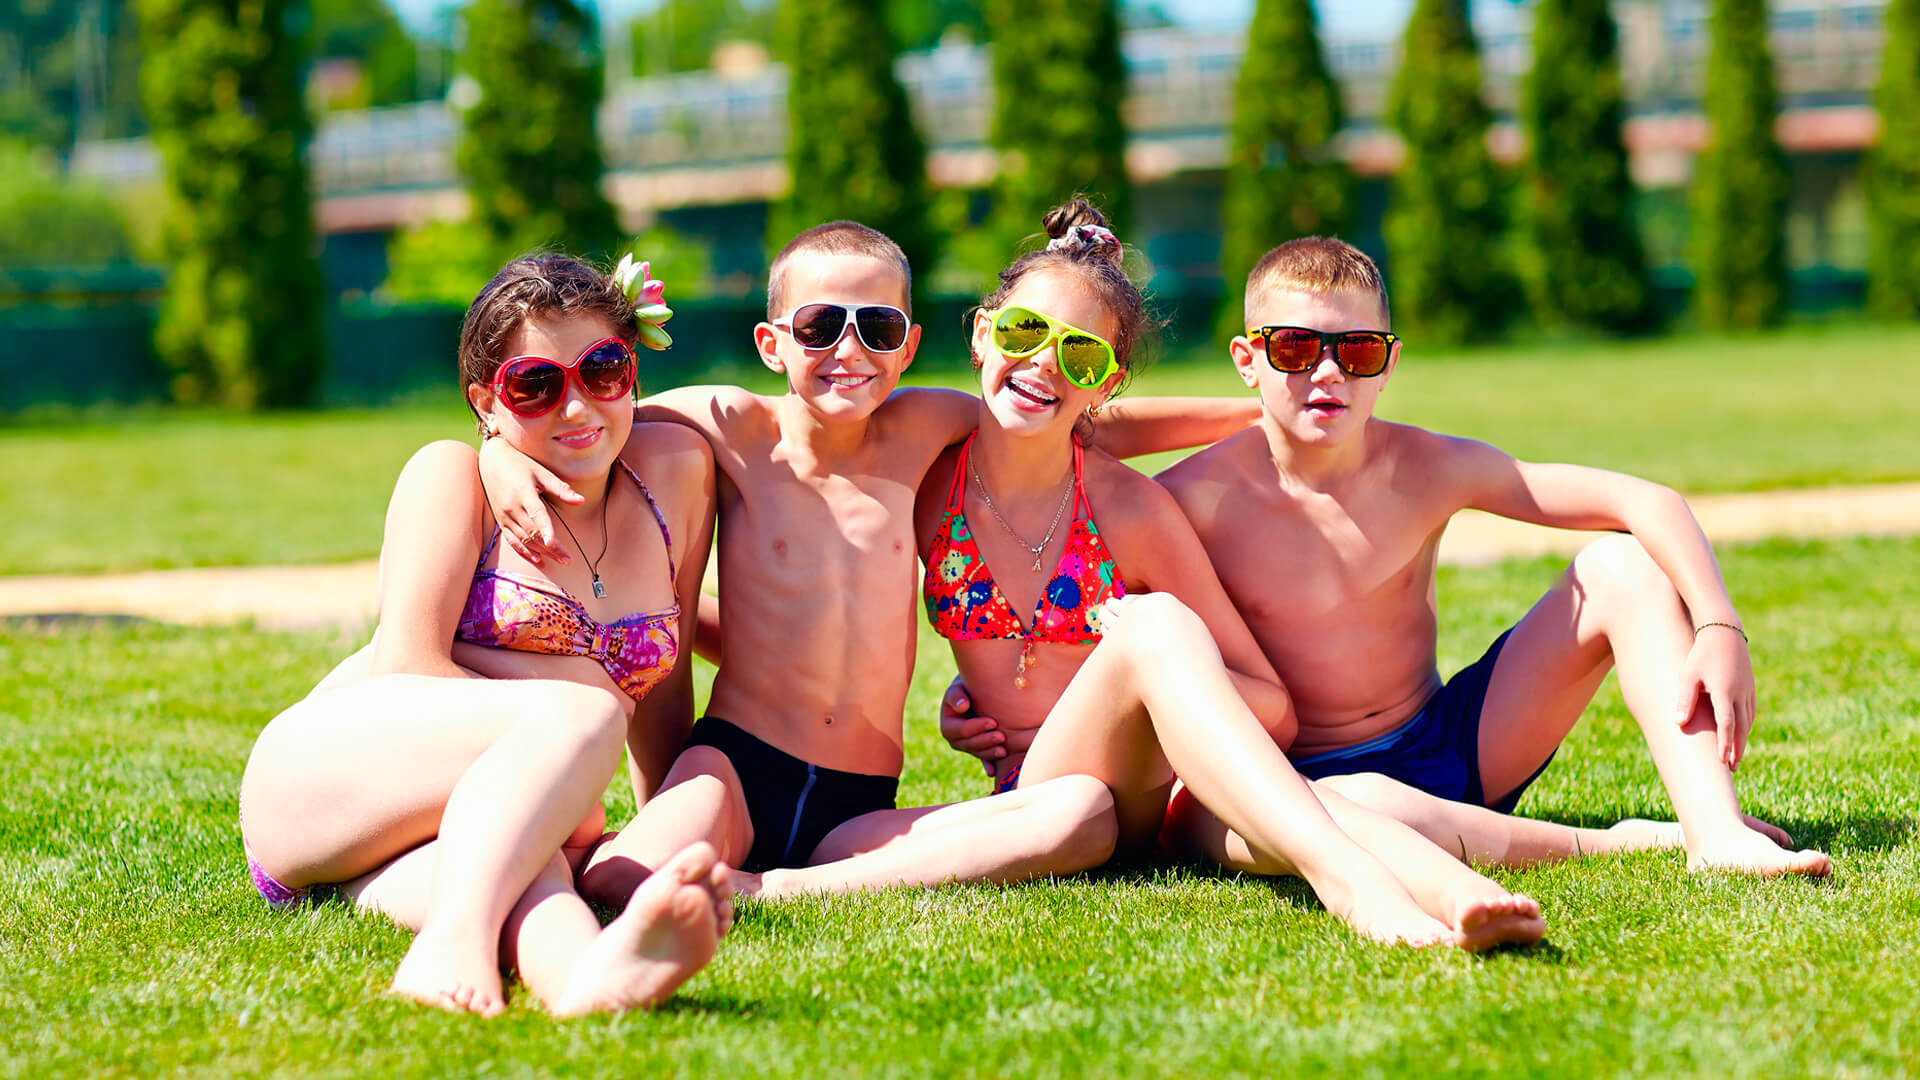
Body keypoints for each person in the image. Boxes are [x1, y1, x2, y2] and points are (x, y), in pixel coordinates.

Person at [745, 202, 1545, 948]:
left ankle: (1400, 889)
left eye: (1080, 353)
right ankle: (781, 887)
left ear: (1105, 380)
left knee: (1162, 646)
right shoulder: (931, 482)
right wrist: (967, 704)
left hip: (1150, 796)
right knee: (987, 820)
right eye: (1024, 330)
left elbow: (1271, 708)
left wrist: (1153, 683)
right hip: (1039, 800)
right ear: (983, 333)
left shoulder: (1129, 511)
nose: (1043, 362)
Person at [478, 222, 1257, 904]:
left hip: (860, 803)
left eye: (877, 329)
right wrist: (497, 454)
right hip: (737, 766)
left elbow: (1082, 425)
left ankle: (779, 888)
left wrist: (1260, 413)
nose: (848, 351)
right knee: (620, 878)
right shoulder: (728, 426)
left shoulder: (923, 427)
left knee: (1078, 816)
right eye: (820, 326)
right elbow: (587, 415)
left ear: (907, 346)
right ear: (772, 343)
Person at [1151, 236, 1829, 878]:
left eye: (1356, 350)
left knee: (1626, 569)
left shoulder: (1426, 465)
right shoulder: (1192, 500)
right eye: (1295, 347)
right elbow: (1093, 454)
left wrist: (1718, 625)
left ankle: (1715, 832)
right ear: (1247, 359)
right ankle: (1609, 843)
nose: (1327, 371)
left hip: (1451, 743)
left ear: (1387, 364)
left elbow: (1643, 501)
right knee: (1367, 805)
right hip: (1299, 778)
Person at [237, 254, 732, 1019]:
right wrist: (564, 762)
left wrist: (650, 834)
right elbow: (406, 674)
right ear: (487, 403)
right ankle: (449, 945)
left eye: (603, 370)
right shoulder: (451, 476)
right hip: (327, 781)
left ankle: (584, 979)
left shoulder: (676, 475)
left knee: (535, 872)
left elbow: (664, 694)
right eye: (535, 386)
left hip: (449, 831)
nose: (577, 406)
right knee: (586, 715)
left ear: (632, 370)